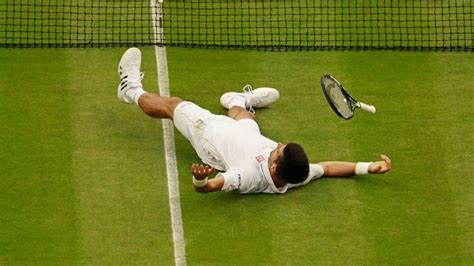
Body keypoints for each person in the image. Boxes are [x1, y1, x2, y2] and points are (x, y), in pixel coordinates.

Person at [117, 48, 392, 194]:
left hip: (210, 136)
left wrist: (199, 180)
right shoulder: (298, 175)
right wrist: (369, 167)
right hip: (246, 135)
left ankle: (130, 90)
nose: (280, 143)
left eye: (280, 149)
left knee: (171, 105)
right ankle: (238, 101)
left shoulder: (246, 176)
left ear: (274, 166)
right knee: (245, 118)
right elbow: (330, 168)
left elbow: (210, 188)